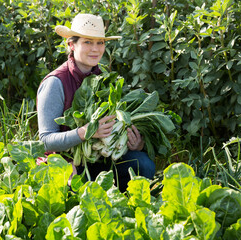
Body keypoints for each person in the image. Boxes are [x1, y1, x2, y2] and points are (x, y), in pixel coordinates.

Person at [37, 13, 155, 192]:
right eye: (87, 42)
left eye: (100, 42)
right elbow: (45, 141)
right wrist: (86, 132)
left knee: (143, 164)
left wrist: (134, 144)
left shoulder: (105, 79)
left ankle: (127, 208)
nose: (95, 49)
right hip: (64, 163)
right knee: (70, 192)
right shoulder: (55, 82)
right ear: (71, 44)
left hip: (99, 159)